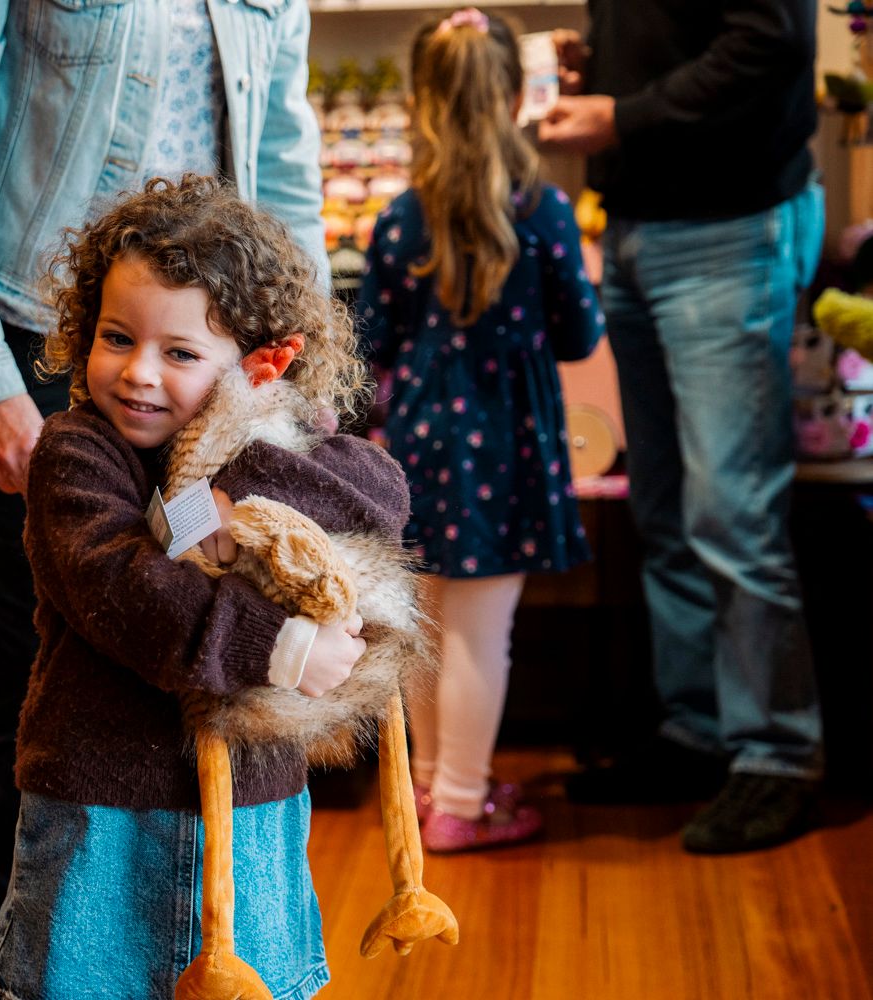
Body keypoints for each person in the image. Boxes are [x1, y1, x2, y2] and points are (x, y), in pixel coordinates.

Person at [0, 0, 326, 939]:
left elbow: (284, 156)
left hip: (223, 360)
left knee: (205, 660)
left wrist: (304, 376)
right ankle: (15, 956)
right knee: (44, 667)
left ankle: (185, 944)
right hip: (46, 346)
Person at [0, 175, 405, 998]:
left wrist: (232, 458)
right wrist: (283, 647)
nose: (138, 374)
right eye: (116, 337)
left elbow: (378, 492)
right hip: (101, 809)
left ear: (255, 366)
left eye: (180, 353)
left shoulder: (269, 448)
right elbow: (125, 590)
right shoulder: (76, 454)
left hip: (251, 809)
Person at [539, 0, 826, 853]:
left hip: (727, 231)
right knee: (664, 508)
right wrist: (602, 70)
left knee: (732, 512)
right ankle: (699, 733)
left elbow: (771, 39)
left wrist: (620, 114)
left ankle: (776, 756)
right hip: (638, 228)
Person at [356, 8, 604, 853]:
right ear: (511, 96)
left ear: (423, 102)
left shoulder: (398, 219)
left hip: (421, 441)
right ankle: (464, 799)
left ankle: (430, 788)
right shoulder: (544, 212)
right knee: (481, 633)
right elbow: (579, 334)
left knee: (425, 622)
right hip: (511, 440)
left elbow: (372, 342)